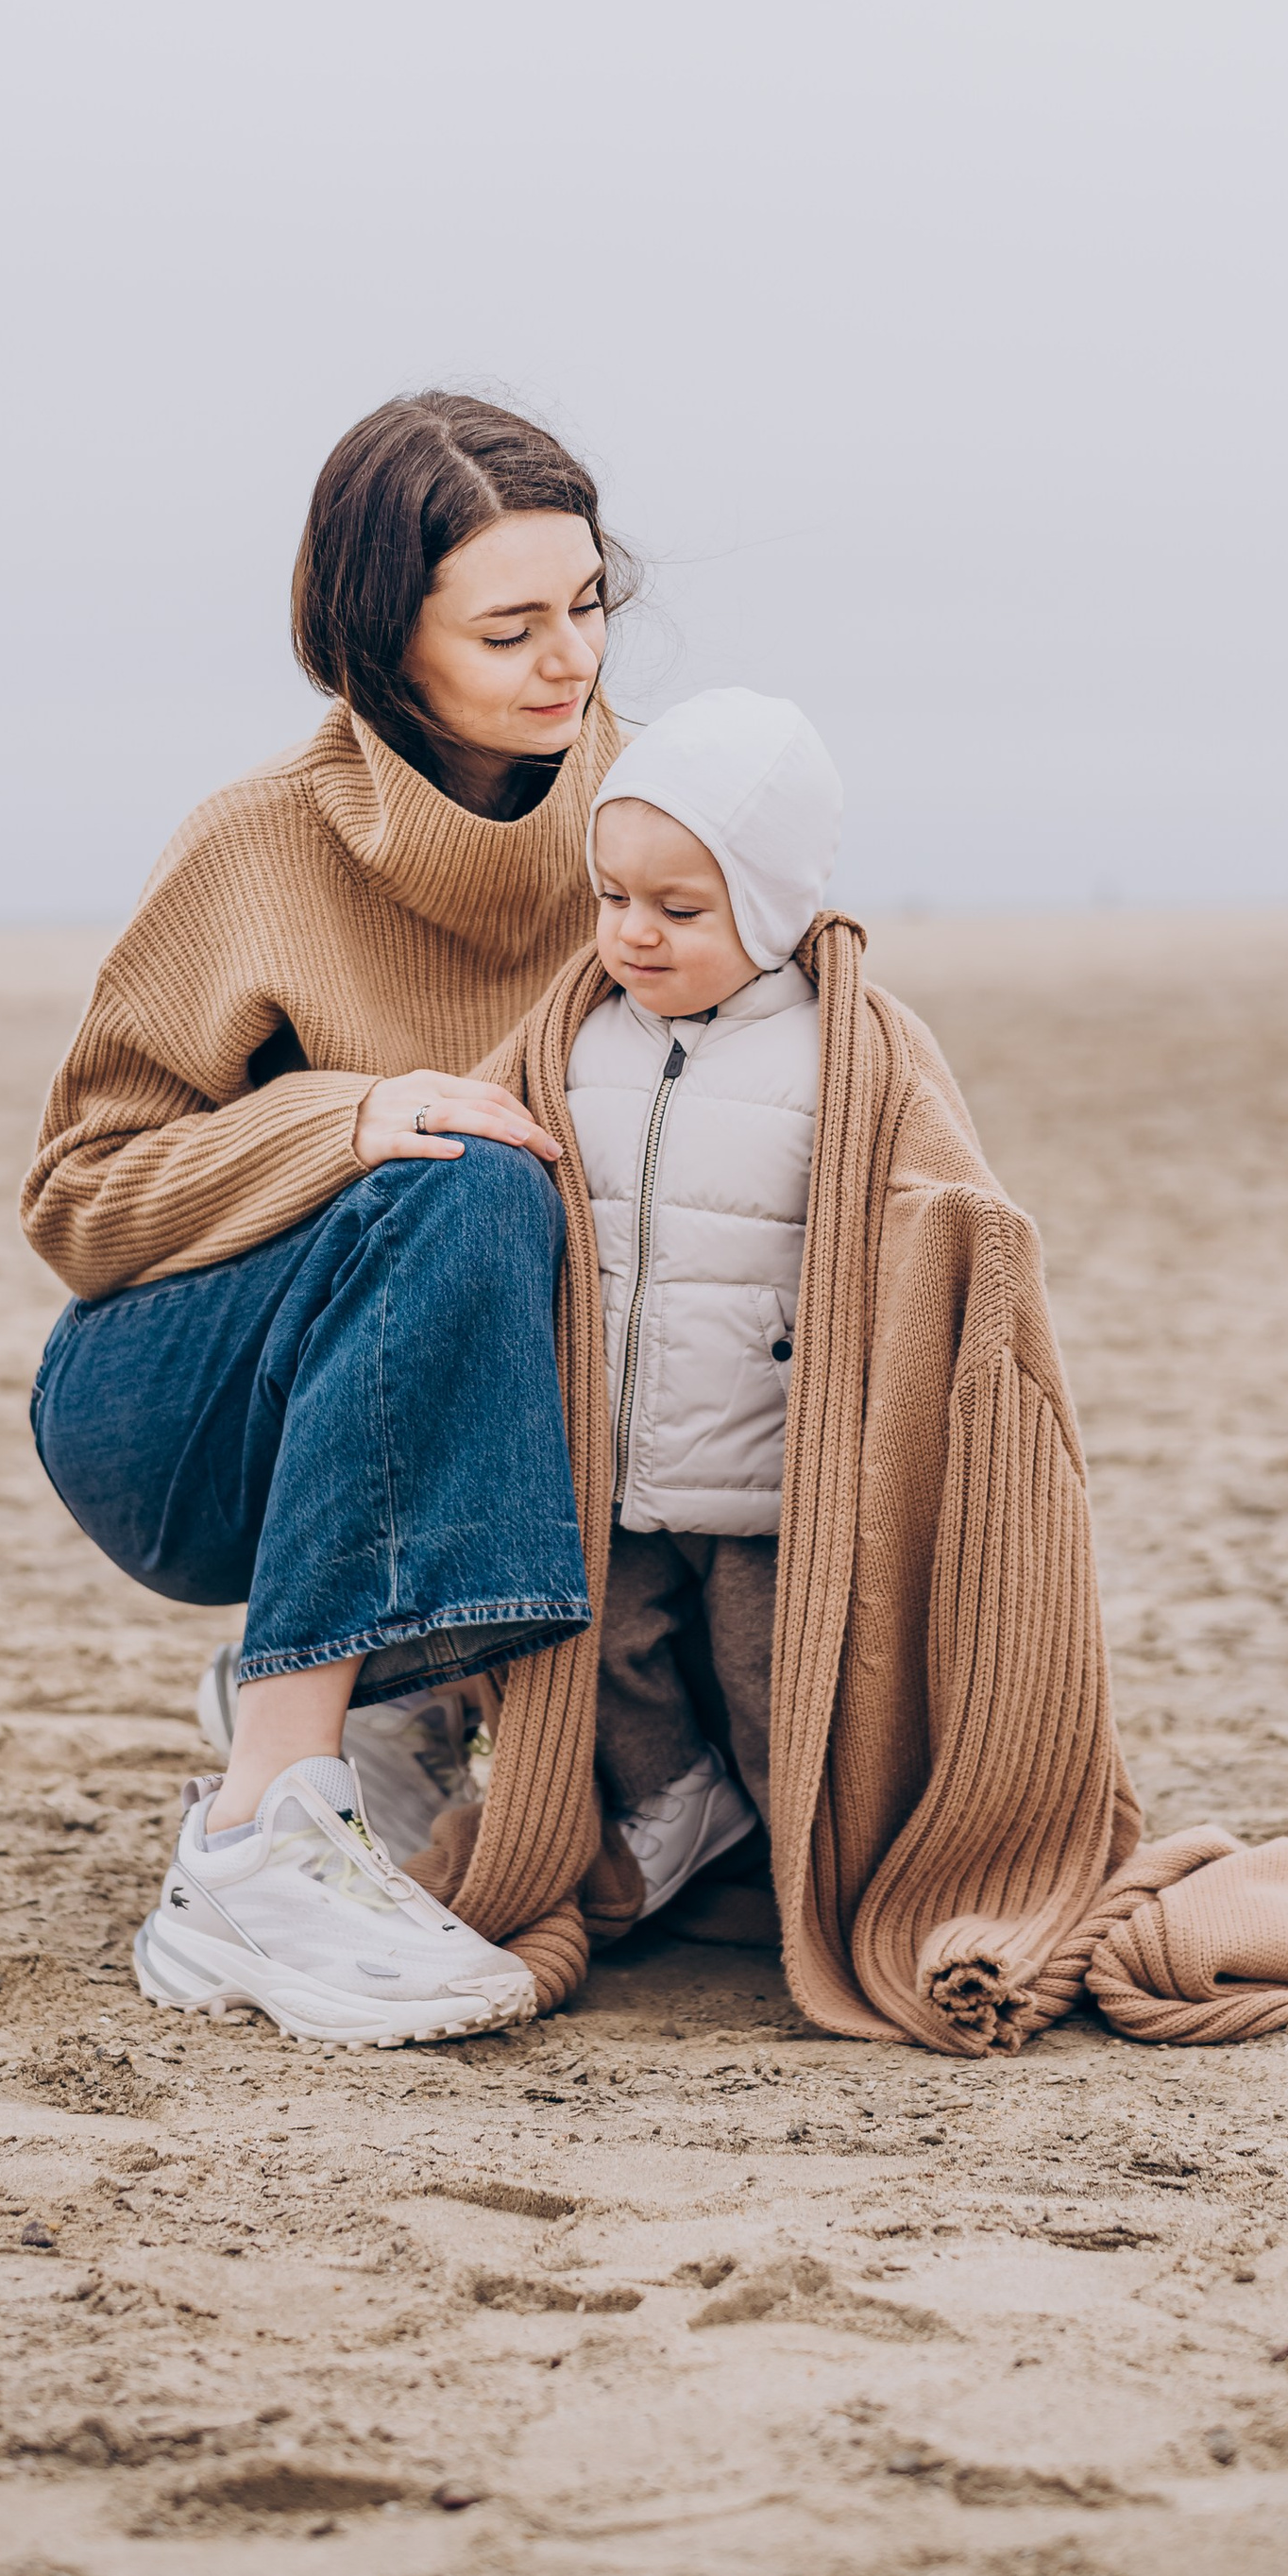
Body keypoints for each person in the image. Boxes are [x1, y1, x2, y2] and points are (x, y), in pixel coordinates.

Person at [20, 390, 629, 2048]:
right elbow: (78, 1198)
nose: (568, 660)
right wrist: (344, 1119)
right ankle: (256, 1833)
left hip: (505, 1409)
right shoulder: (260, 843)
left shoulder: (654, 825)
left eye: (588, 605)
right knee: (465, 1175)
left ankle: (384, 1689)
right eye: (508, 627)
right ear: (381, 641)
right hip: (177, 1413)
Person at [563, 689, 843, 1918]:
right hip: (612, 1461)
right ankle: (678, 1804)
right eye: (611, 897)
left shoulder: (833, 1059)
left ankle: (818, 1887)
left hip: (761, 1477)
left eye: (680, 910)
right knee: (603, 1654)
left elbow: (914, 1241)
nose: (635, 934)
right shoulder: (580, 1043)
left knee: (772, 1684)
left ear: (771, 909)